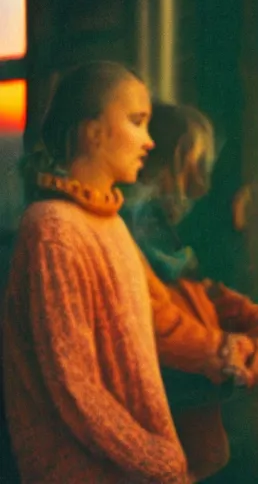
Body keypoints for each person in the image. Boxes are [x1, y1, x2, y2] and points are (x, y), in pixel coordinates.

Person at [1, 61, 191, 483]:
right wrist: (161, 461)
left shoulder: (110, 222)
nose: (149, 141)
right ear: (93, 132)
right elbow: (74, 386)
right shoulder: (53, 228)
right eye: (136, 122)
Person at [121, 101, 258, 481]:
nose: (199, 186)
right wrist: (255, 350)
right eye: (189, 166)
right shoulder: (126, 245)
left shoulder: (166, 249)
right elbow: (163, 329)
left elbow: (206, 294)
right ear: (156, 161)